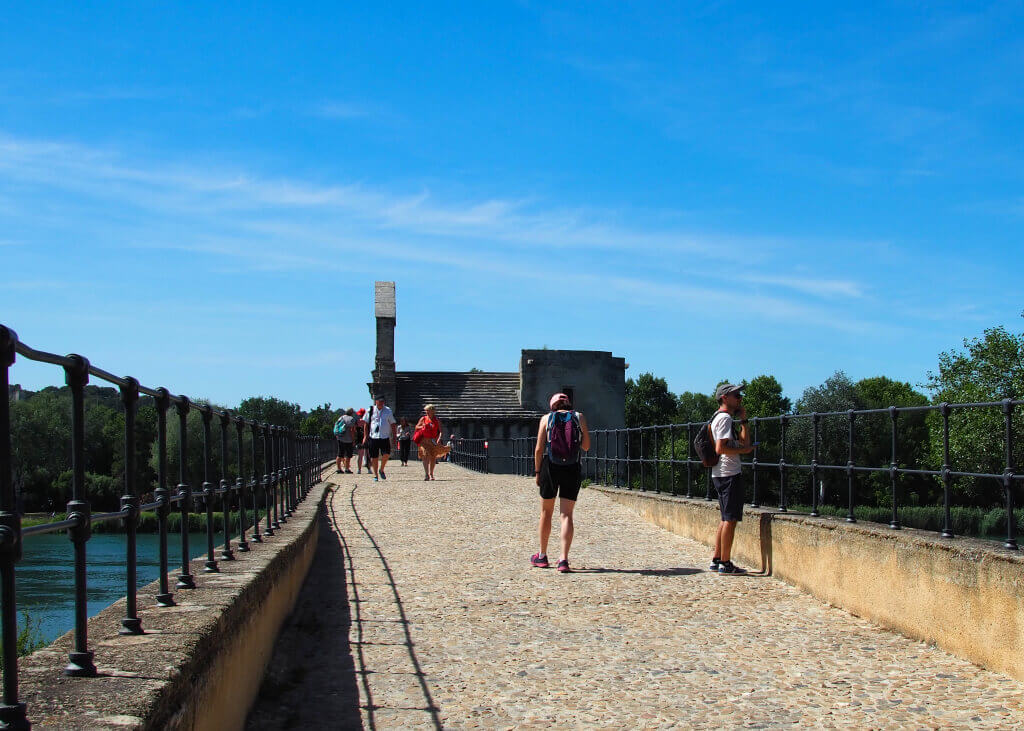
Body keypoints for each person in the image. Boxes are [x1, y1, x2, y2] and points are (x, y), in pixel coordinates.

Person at [531, 392, 590, 573]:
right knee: (566, 515)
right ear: (568, 404)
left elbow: (539, 449)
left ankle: (542, 556)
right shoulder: (579, 417)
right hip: (572, 468)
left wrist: (538, 472)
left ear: (552, 405)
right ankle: (563, 560)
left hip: (550, 467)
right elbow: (586, 446)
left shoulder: (546, 419)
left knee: (546, 512)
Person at [709, 383, 754, 575]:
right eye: (737, 395)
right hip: (729, 474)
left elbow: (745, 441)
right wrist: (743, 451)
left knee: (725, 518)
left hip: (720, 473)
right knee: (730, 519)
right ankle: (725, 563)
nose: (740, 398)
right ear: (725, 398)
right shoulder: (725, 419)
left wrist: (744, 420)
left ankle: (717, 559)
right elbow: (721, 448)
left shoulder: (718, 418)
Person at [362, 394, 397, 482]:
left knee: (386, 454)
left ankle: (381, 469)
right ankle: (375, 475)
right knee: (374, 457)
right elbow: (366, 424)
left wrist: (394, 436)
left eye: (383, 401)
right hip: (373, 436)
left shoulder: (388, 410)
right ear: (376, 401)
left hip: (384, 436)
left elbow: (393, 423)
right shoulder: (370, 410)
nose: (381, 403)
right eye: (380, 401)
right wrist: (365, 436)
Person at [414, 404, 449, 481]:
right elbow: (416, 427)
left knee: (433, 457)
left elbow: (440, 431)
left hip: (433, 440)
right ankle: (426, 474)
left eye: (428, 410)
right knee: (425, 455)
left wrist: (439, 439)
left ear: (432, 411)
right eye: (426, 410)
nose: (426, 412)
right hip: (424, 440)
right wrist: (422, 426)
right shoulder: (423, 419)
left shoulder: (437, 420)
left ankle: (431, 473)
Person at [334, 408, 357, 474]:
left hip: (340, 438)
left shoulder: (341, 418)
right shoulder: (351, 419)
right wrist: (353, 439)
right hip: (348, 439)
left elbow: (336, 427)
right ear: (352, 413)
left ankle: (339, 469)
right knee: (348, 454)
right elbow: (352, 430)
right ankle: (347, 469)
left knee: (340, 454)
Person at [354, 408, 368, 474]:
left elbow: (354, 431)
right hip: (366, 438)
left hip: (359, 439)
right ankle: (369, 469)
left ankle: (359, 470)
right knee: (367, 454)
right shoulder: (366, 422)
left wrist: (354, 440)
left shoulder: (357, 422)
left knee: (360, 455)